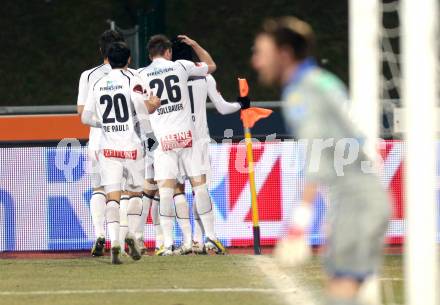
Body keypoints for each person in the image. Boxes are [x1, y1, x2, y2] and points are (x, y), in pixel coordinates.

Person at [251, 17, 390, 305]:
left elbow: (318, 156)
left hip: (357, 201)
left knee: (341, 294)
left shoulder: (303, 92)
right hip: (360, 198)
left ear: (284, 54)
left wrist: (299, 223)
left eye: (261, 53)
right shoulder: (321, 81)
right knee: (345, 290)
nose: (256, 62)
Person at [138, 34, 226, 256]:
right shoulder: (181, 66)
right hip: (187, 137)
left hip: (162, 140)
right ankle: (212, 237)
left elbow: (141, 109)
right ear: (168, 52)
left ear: (150, 54)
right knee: (199, 186)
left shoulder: (141, 74)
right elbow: (211, 66)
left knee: (166, 192)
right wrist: (195, 44)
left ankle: (167, 244)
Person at [81, 42, 160, 264]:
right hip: (132, 147)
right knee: (135, 194)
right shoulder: (131, 79)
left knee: (112, 197)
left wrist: (104, 124)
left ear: (107, 57)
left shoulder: (98, 84)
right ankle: (132, 235)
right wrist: (150, 134)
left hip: (108, 149)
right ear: (128, 60)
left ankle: (114, 241)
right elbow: (139, 105)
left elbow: (85, 118)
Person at [171, 36, 248, 255]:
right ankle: (201, 238)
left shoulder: (167, 79)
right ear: (193, 58)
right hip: (199, 140)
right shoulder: (205, 78)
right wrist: (241, 104)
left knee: (176, 189)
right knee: (199, 188)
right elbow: (223, 108)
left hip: (175, 138)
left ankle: (185, 241)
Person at [77, 29, 124, 257]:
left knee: (98, 188)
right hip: (124, 141)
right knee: (122, 192)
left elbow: (81, 112)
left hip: (97, 141)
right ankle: (119, 240)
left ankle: (99, 234)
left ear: (100, 50)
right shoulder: (129, 75)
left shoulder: (88, 75)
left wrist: (102, 124)